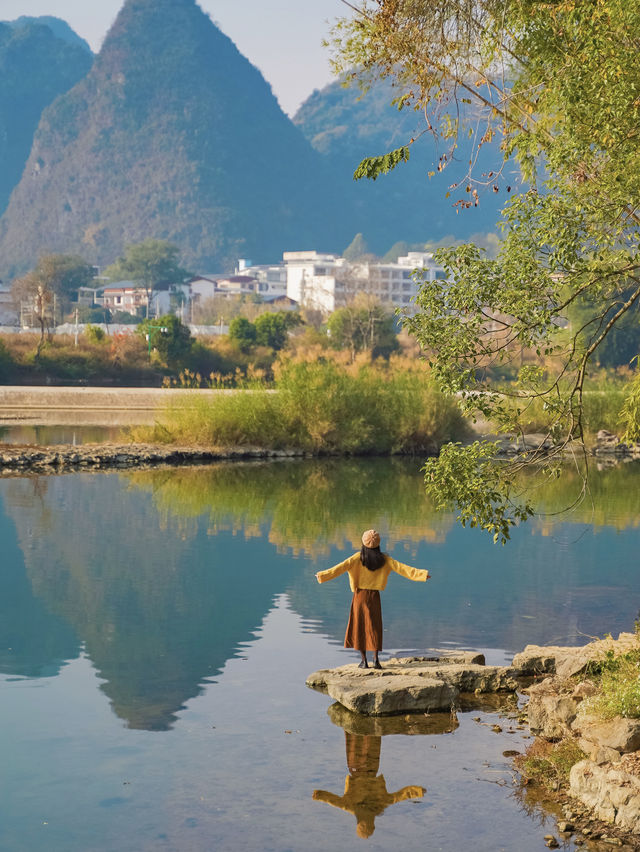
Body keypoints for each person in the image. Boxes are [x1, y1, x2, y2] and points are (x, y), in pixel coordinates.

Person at [315, 529, 430, 669]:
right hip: (374, 597)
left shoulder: (357, 558)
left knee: (359, 627)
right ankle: (376, 660)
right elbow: (403, 569)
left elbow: (339, 568)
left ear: (363, 542)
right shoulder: (384, 560)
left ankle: (364, 662)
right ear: (378, 544)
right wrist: (422, 575)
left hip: (359, 596)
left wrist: (322, 576)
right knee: (374, 627)